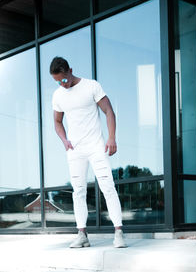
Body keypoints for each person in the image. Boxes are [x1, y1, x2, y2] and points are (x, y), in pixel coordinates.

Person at [50, 56, 126, 248]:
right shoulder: (58, 95)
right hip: (75, 150)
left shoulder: (91, 86)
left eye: (64, 79)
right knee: (78, 191)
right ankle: (82, 234)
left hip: (96, 146)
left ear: (71, 70)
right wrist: (64, 140)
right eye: (57, 81)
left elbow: (109, 111)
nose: (62, 84)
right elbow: (57, 122)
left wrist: (112, 137)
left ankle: (118, 233)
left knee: (107, 186)